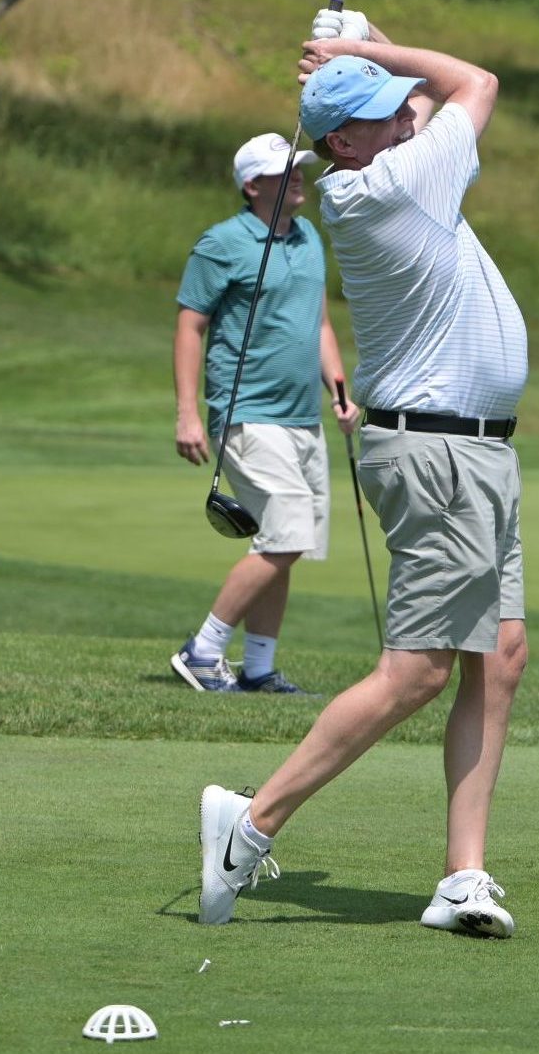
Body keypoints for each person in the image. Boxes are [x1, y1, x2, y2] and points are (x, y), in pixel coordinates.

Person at [197, 7, 530, 938]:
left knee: (496, 659)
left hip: (475, 450)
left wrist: (359, 45)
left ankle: (463, 876)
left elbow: (422, 102)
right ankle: (251, 825)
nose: (406, 116)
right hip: (440, 454)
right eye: (384, 112)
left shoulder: (381, 165)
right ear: (345, 140)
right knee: (418, 671)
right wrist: (365, 52)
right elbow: (474, 83)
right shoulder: (387, 186)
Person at [172, 133, 361, 694]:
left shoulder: (307, 239)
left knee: (286, 543)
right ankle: (202, 650)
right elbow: (190, 326)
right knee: (283, 535)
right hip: (247, 411)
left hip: (303, 416)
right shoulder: (222, 243)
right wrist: (188, 413)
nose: (298, 176)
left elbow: (320, 323)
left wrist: (339, 388)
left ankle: (258, 668)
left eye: (299, 168)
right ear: (253, 186)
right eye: (284, 172)